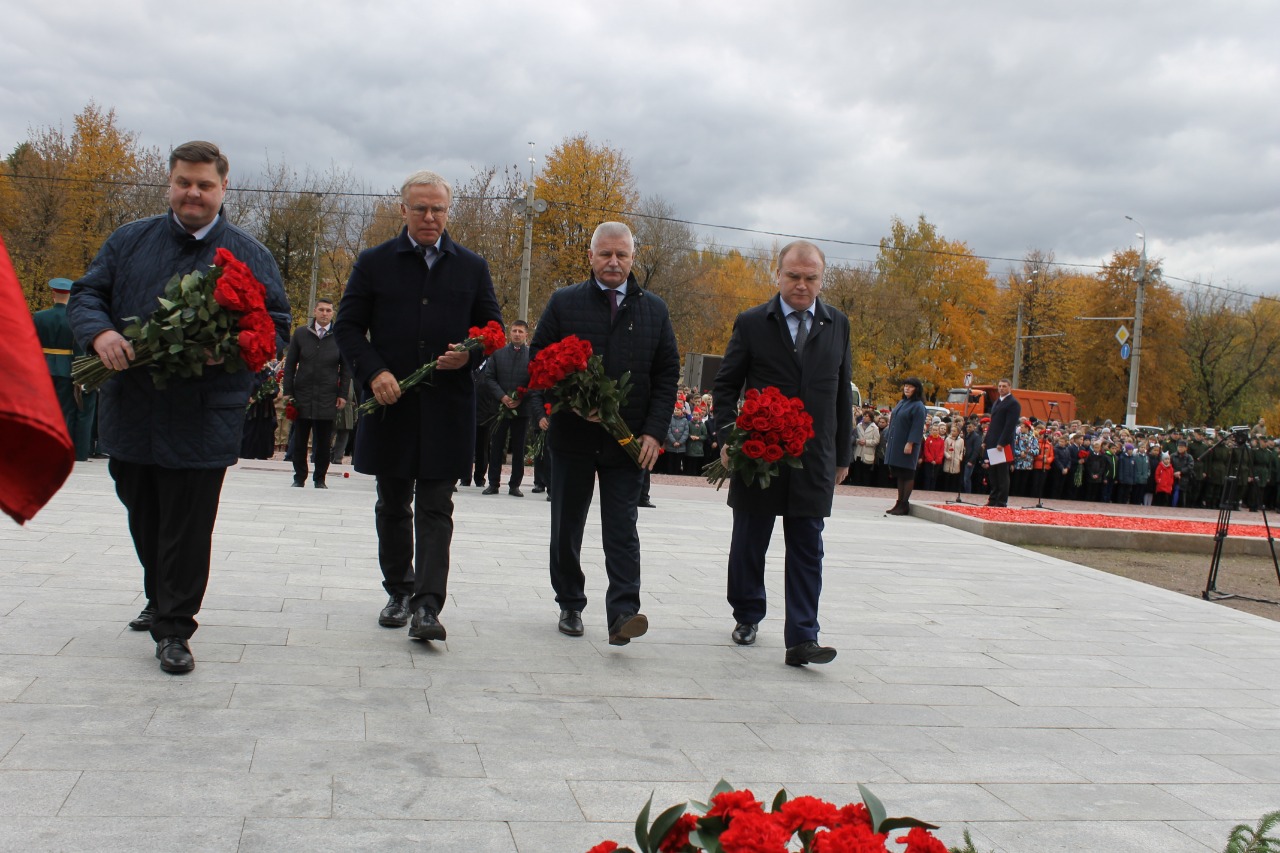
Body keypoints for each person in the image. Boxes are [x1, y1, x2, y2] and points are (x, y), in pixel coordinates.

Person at [67, 140, 290, 673]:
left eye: (205, 184)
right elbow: (86, 295)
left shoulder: (250, 254)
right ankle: (159, 593)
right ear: (170, 184)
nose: (194, 193)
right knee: (142, 509)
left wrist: (229, 350)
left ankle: (174, 626)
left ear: (223, 188)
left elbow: (276, 327)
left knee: (187, 524)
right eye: (184, 182)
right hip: (134, 408)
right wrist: (99, 336)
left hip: (203, 413)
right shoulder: (130, 240)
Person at [333, 169, 502, 642]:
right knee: (391, 503)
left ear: (449, 212)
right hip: (391, 405)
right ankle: (399, 591)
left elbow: (493, 328)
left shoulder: (472, 266)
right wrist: (375, 372)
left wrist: (470, 353)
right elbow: (348, 328)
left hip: (447, 407)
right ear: (403, 209)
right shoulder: (374, 262)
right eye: (421, 208)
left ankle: (428, 606)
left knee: (435, 505)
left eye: (438, 209)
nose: (430, 217)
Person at [529, 222, 678, 644]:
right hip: (573, 437)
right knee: (567, 525)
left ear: (634, 258)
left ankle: (624, 613)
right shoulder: (564, 302)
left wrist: (653, 432)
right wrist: (568, 402)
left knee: (622, 527)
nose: (614, 262)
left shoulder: (655, 309)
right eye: (606, 254)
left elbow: (668, 374)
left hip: (627, 442)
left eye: (622, 255)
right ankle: (570, 604)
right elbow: (539, 361)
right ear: (591, 256)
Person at [713, 240, 851, 666]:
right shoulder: (754, 322)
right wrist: (726, 438)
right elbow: (725, 386)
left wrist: (843, 456)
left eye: (811, 278)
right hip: (761, 457)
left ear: (821, 280)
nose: (802, 285)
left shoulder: (837, 324)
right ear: (778, 275)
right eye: (794, 276)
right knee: (750, 542)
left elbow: (841, 394)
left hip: (814, 459)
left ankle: (803, 637)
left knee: (809, 546)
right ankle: (748, 613)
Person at [283, 298, 350, 488]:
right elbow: (290, 365)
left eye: (328, 310)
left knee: (323, 441)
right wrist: (288, 391)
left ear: (332, 313)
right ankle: (299, 477)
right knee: (299, 439)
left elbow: (345, 369)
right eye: (321, 309)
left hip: (327, 395)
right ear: (315, 311)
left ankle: (320, 478)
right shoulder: (301, 333)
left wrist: (342, 394)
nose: (325, 313)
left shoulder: (340, 336)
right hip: (302, 394)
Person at [33, 277, 97, 461]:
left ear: (53, 294)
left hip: (43, 368)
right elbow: (78, 348)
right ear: (70, 296)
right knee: (65, 411)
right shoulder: (74, 318)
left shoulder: (39, 317)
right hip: (66, 368)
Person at [481, 319, 532, 496]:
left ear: (527, 334)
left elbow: (535, 381)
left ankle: (515, 485)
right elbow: (489, 377)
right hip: (499, 408)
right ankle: (493, 483)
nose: (517, 334)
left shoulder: (532, 356)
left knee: (518, 447)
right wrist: (502, 396)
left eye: (520, 331)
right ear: (510, 333)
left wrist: (521, 398)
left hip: (522, 409)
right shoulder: (498, 354)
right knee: (496, 446)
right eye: (514, 331)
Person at [882, 378, 926, 515]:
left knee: (907, 473)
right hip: (897, 442)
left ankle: (904, 503)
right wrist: (889, 439)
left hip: (907, 444)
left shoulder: (918, 406)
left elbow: (917, 427)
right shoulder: (902, 402)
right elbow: (893, 422)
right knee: (899, 473)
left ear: (916, 389)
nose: (906, 388)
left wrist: (911, 442)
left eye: (910, 386)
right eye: (905, 386)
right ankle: (899, 502)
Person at [983, 378, 1020, 507]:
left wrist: (1002, 442)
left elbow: (1010, 426)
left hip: (1002, 444)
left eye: (1004, 386)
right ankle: (993, 498)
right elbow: (993, 424)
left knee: (1002, 473)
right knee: (993, 473)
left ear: (1009, 387)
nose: (1001, 388)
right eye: (999, 386)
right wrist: (986, 440)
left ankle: (1001, 500)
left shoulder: (1013, 403)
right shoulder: (997, 401)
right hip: (993, 441)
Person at [852, 411, 879, 486]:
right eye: (864, 416)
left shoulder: (875, 428)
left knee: (866, 473)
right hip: (858, 452)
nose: (864, 417)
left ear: (870, 418)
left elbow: (876, 441)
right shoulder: (859, 426)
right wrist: (858, 441)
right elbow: (855, 436)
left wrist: (867, 442)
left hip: (867, 452)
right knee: (857, 472)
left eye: (867, 416)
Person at [685, 409, 708, 475]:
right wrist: (690, 436)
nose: (695, 416)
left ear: (699, 416)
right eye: (694, 414)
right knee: (690, 462)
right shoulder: (689, 423)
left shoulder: (702, 425)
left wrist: (699, 438)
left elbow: (705, 435)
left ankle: (696, 474)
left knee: (697, 462)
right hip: (690, 446)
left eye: (696, 415)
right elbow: (686, 433)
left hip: (699, 447)